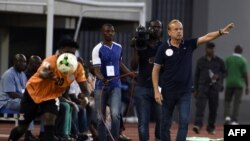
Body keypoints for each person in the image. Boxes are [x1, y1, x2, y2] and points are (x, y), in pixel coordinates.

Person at [152, 19, 234, 141]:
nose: (179, 31)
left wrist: (220, 32)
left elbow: (206, 37)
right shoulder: (163, 48)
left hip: (185, 92)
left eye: (181, 29)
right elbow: (155, 70)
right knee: (165, 124)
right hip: (167, 92)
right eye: (176, 29)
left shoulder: (188, 44)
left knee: (184, 122)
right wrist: (156, 91)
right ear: (169, 32)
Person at [8, 35, 89, 141]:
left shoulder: (77, 68)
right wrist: (46, 74)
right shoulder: (50, 61)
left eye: (73, 54)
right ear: (59, 51)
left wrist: (85, 97)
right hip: (32, 94)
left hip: (51, 98)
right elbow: (42, 71)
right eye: (67, 53)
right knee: (22, 127)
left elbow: (84, 87)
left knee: (49, 122)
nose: (69, 56)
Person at [92, 23, 135, 141]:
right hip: (100, 87)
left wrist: (131, 74)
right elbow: (96, 69)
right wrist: (103, 79)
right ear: (103, 33)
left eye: (112, 31)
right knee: (101, 118)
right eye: (107, 31)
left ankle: (114, 138)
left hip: (115, 85)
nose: (110, 33)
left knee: (116, 115)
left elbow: (120, 64)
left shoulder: (119, 47)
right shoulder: (97, 49)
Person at [131, 19, 163, 141]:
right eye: (154, 27)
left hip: (159, 88)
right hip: (142, 87)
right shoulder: (141, 45)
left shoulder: (163, 46)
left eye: (159, 27)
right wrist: (135, 49)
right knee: (143, 121)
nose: (156, 29)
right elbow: (133, 66)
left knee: (161, 118)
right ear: (148, 29)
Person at [0, 54, 38, 141]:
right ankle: (27, 135)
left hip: (16, 100)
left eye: (25, 62)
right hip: (6, 101)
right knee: (29, 105)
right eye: (21, 61)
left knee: (32, 104)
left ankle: (30, 133)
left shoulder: (22, 75)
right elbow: (11, 94)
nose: (23, 64)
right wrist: (27, 99)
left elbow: (25, 90)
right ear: (14, 62)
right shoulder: (8, 74)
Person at [193, 42, 226, 134]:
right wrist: (195, 89)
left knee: (213, 109)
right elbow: (196, 75)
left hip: (214, 88)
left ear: (214, 49)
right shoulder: (200, 61)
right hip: (202, 87)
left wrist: (218, 76)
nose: (210, 50)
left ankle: (211, 127)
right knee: (200, 107)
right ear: (206, 49)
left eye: (212, 48)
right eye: (209, 48)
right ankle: (198, 125)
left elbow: (224, 73)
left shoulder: (219, 61)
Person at [224, 45, 249, 125]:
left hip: (229, 83)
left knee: (227, 100)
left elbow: (225, 71)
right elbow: (245, 74)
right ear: (241, 52)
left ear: (234, 50)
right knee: (236, 102)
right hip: (239, 84)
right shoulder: (243, 61)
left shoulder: (228, 59)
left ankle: (227, 116)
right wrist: (247, 86)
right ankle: (234, 120)